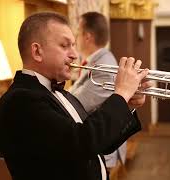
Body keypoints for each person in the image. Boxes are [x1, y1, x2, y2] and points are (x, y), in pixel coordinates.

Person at [0, 12, 149, 180]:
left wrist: (127, 105)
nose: (75, 54)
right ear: (37, 51)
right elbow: (82, 142)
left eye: (74, 45)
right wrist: (121, 94)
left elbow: (102, 144)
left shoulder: (61, 94)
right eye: (65, 45)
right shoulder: (20, 100)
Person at [69, 12, 128, 169]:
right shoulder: (96, 61)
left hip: (102, 149)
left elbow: (78, 105)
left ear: (87, 36)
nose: (75, 39)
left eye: (77, 33)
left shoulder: (103, 65)